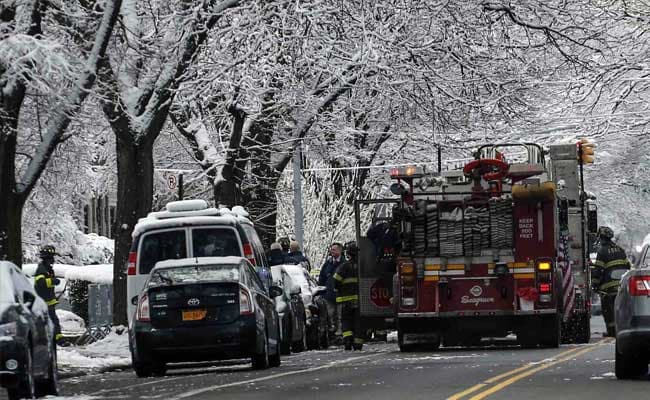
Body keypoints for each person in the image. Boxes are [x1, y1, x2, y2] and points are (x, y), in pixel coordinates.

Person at [591, 226, 631, 337]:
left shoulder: (602, 251)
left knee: (608, 311)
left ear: (602, 237)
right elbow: (628, 266)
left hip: (608, 289)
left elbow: (598, 270)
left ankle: (611, 331)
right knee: (621, 310)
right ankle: (621, 330)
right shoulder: (620, 250)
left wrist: (594, 284)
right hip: (621, 287)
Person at [33, 245, 65, 345]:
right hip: (43, 302)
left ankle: (55, 339)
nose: (53, 260)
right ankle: (57, 340)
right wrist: (53, 281)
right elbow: (41, 283)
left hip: (48, 301)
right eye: (51, 257)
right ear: (47, 258)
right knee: (51, 321)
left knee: (51, 321)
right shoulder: (42, 269)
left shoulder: (47, 269)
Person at [334, 241, 362, 350]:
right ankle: (358, 343)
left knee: (346, 321)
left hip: (346, 300)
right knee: (358, 322)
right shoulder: (362, 266)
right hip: (359, 301)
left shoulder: (344, 266)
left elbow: (336, 280)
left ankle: (347, 341)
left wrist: (338, 288)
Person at [319, 242, 344, 339]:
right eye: (331, 249)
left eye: (334, 249)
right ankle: (332, 334)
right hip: (329, 296)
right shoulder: (328, 264)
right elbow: (322, 277)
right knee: (330, 316)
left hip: (340, 295)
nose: (331, 251)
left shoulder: (344, 264)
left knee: (340, 316)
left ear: (340, 251)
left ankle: (340, 335)